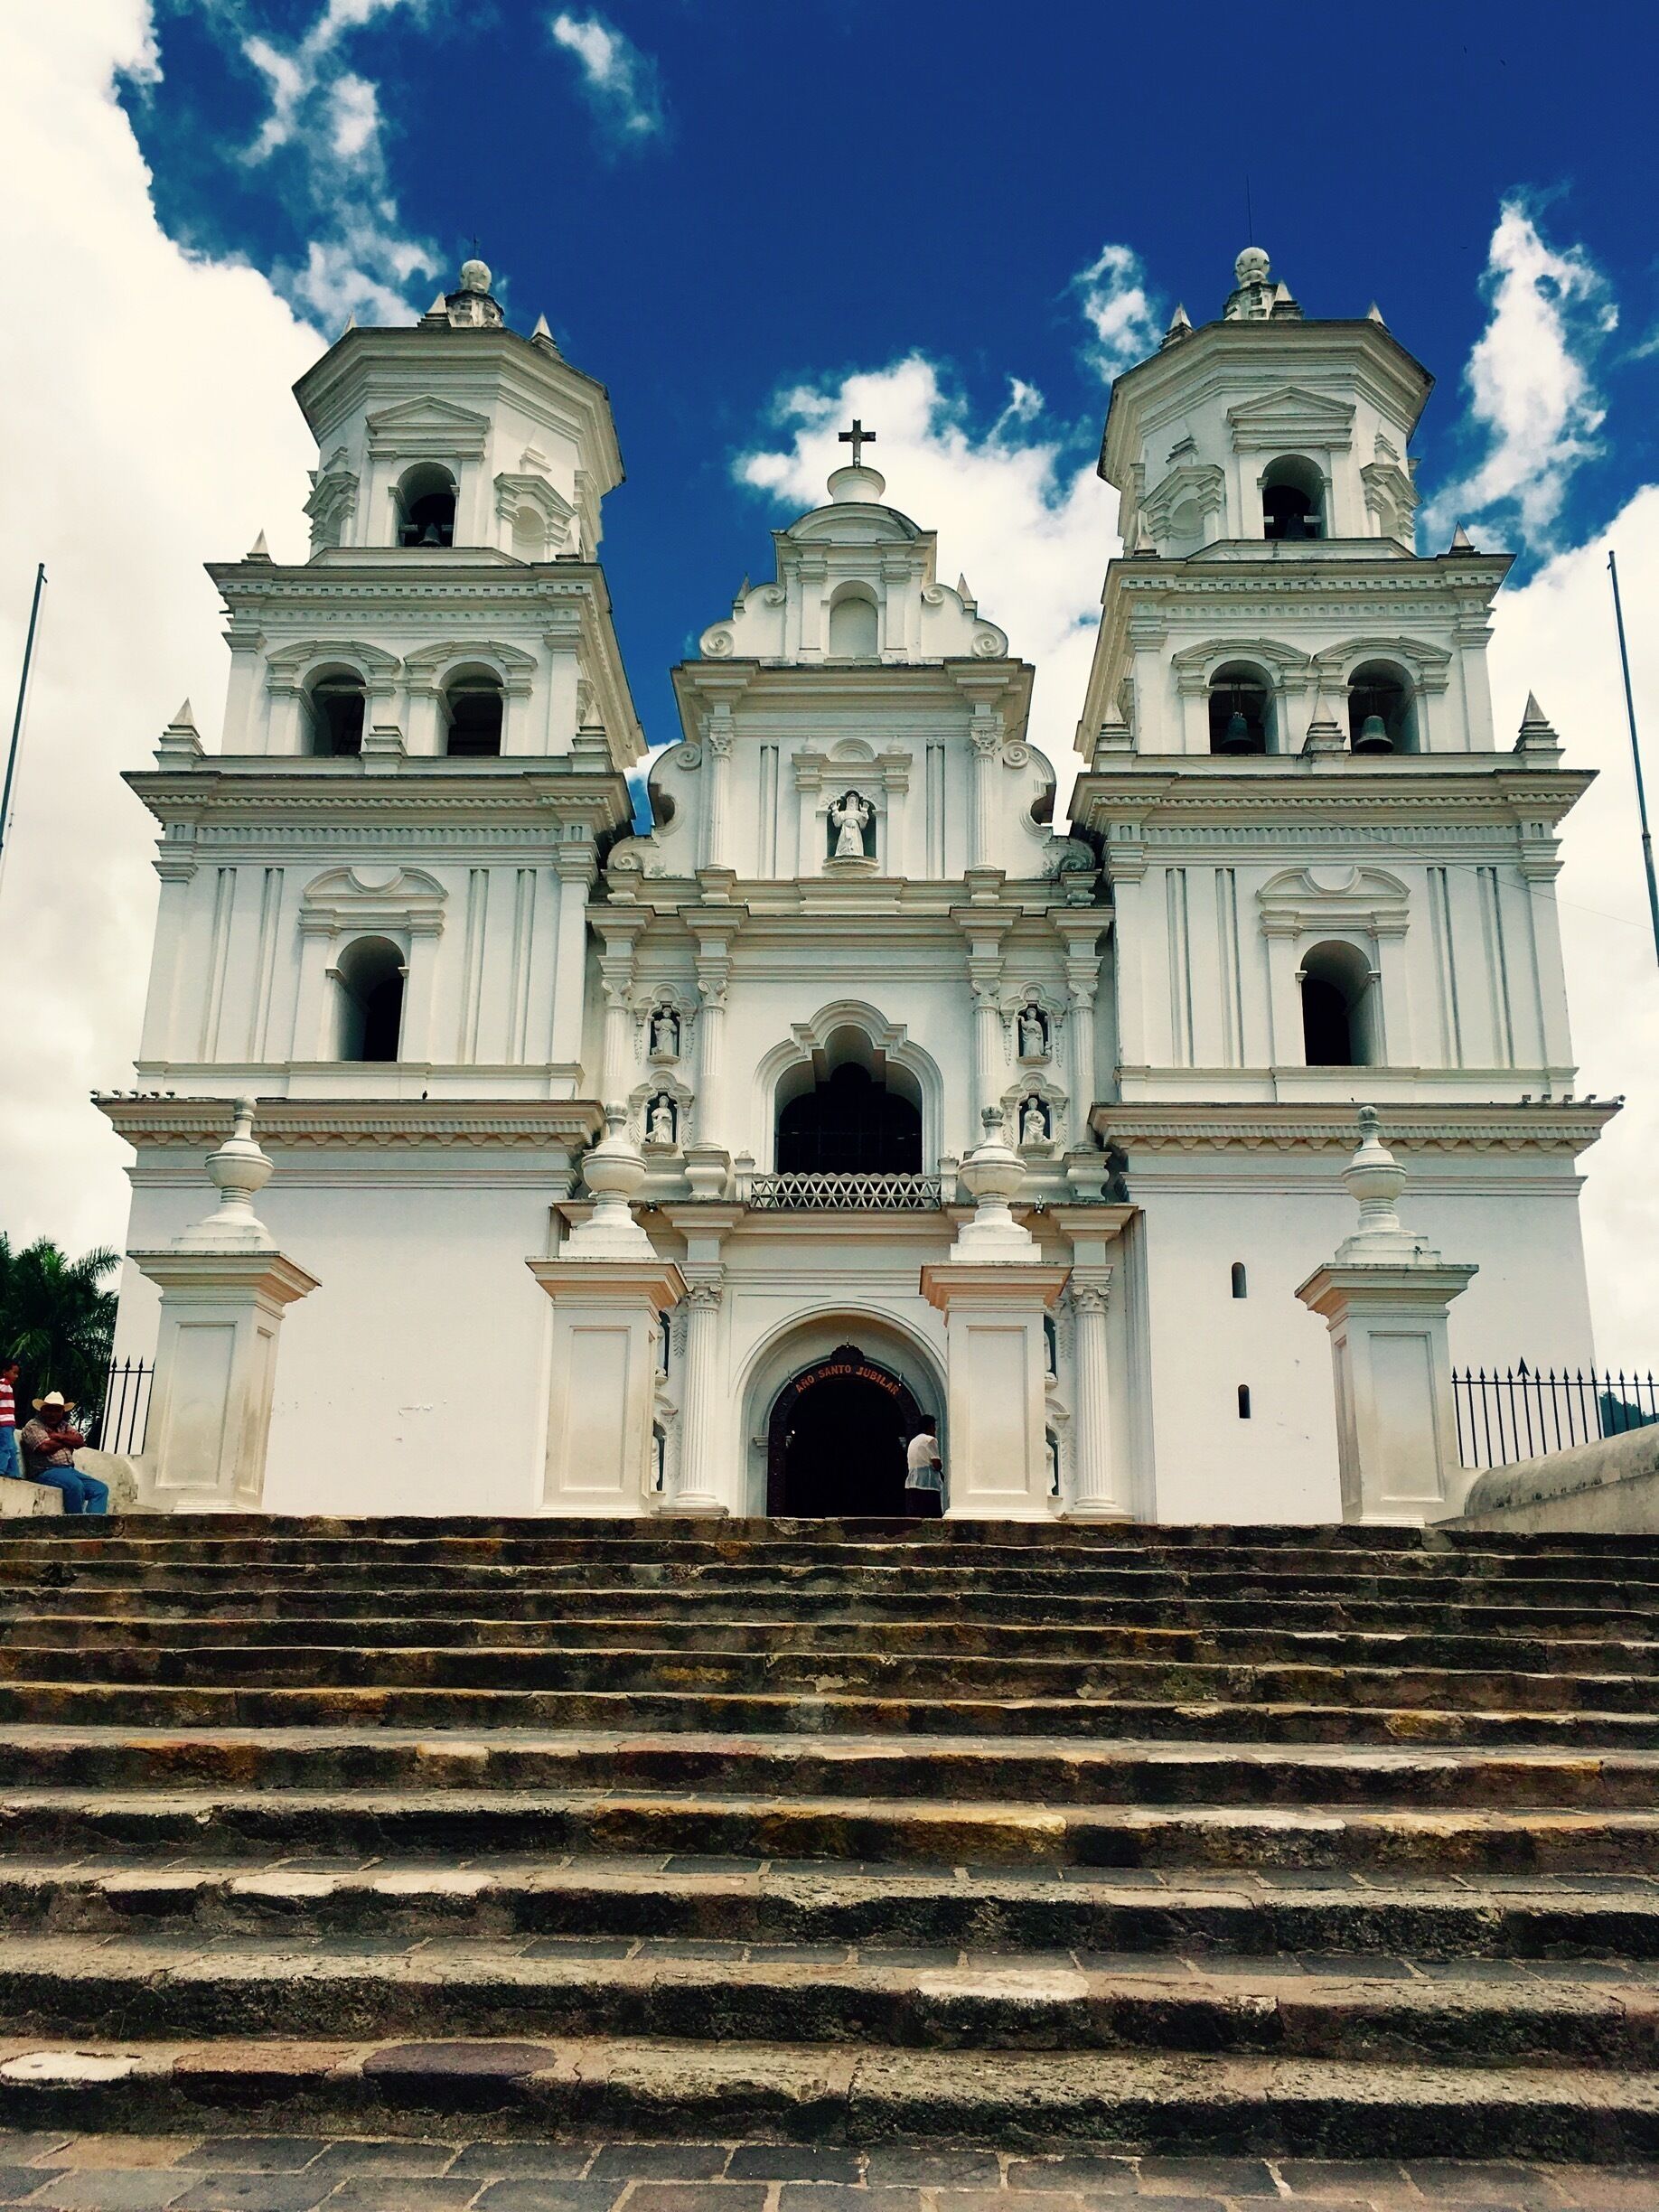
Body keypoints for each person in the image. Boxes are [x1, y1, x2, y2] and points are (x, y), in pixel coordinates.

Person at [18, 1392, 108, 1516]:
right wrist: (68, 1440)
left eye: (57, 1411)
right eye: (49, 1410)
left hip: (69, 1470)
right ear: (42, 1410)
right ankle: (76, 1523)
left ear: (62, 1412)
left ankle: (93, 1524)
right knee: (75, 1486)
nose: (53, 1414)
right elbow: (44, 1447)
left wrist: (58, 1436)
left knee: (100, 1489)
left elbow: (80, 1441)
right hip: (45, 1471)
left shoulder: (63, 1426)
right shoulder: (33, 1426)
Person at [904, 1420, 944, 1519]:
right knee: (932, 1515)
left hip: (913, 1483)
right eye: (934, 1427)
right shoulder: (930, 1440)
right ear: (930, 1427)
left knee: (917, 1515)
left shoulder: (913, 1441)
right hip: (928, 1484)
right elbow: (936, 1464)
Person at [0, 1360, 19, 1483]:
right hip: (4, 1421)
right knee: (6, 1446)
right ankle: (1, 1469)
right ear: (5, 1372)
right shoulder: (4, 1383)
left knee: (12, 1447)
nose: (16, 1376)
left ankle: (14, 1472)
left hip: (9, 1422)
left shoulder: (7, 1385)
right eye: (14, 1372)